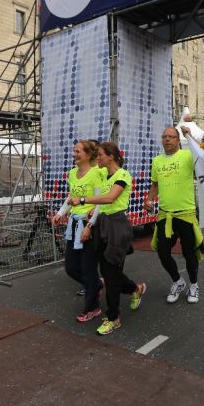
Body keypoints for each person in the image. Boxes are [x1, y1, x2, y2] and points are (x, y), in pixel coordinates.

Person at [70, 142, 146, 335]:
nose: (98, 158)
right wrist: (91, 217)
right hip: (101, 224)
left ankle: (113, 318)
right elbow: (91, 176)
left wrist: (83, 200)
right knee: (107, 271)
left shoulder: (123, 175)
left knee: (111, 274)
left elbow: (110, 198)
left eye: (101, 155)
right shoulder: (103, 174)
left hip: (117, 226)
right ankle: (135, 289)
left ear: (111, 156)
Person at [144, 127, 204, 304]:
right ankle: (178, 281)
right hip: (165, 215)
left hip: (186, 213)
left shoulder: (187, 156)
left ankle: (194, 285)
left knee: (189, 253)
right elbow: (155, 185)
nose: (167, 139)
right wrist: (149, 199)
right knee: (163, 252)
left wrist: (189, 135)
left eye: (171, 137)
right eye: (164, 137)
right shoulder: (157, 161)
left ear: (178, 140)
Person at [53, 140, 105, 323]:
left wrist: (90, 225)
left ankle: (93, 307)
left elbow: (100, 202)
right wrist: (60, 213)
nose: (74, 154)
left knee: (88, 269)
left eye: (78, 151)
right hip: (74, 225)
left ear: (88, 154)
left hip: (89, 225)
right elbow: (71, 196)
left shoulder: (96, 174)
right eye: (74, 151)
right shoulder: (72, 173)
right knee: (71, 267)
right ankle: (96, 284)